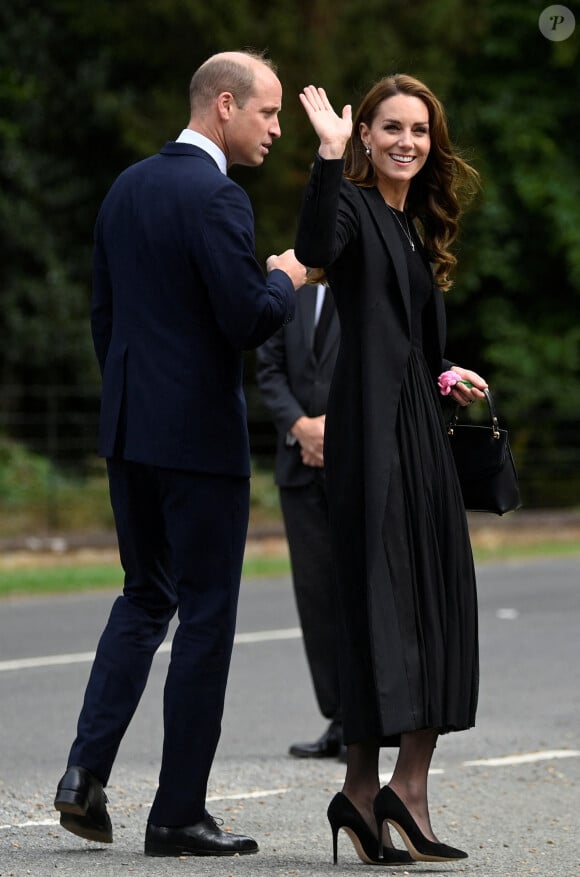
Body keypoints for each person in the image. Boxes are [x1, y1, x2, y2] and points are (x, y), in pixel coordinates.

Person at [53, 50, 307, 859]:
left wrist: (134, 403)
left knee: (142, 597)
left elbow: (104, 315)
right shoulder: (218, 196)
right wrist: (287, 276)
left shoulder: (127, 186)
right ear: (223, 105)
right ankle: (178, 812)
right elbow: (246, 317)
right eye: (267, 113)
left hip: (131, 433)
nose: (274, 129)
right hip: (199, 443)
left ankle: (83, 776)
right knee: (204, 615)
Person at [294, 76, 487, 866]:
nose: (408, 140)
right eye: (392, 128)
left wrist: (445, 375)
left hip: (421, 437)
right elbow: (312, 249)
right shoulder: (352, 205)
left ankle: (396, 791)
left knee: (435, 604)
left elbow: (408, 337)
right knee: (380, 606)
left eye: (420, 129)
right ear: (367, 136)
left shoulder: (415, 227)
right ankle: (368, 788)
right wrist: (328, 159)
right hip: (372, 440)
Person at [256, 280, 345, 760]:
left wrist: (335, 428)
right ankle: (337, 718)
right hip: (298, 466)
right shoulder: (288, 289)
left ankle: (365, 725)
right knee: (315, 598)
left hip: (355, 463)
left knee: (359, 594)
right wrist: (301, 427)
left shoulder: (366, 280)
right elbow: (268, 368)